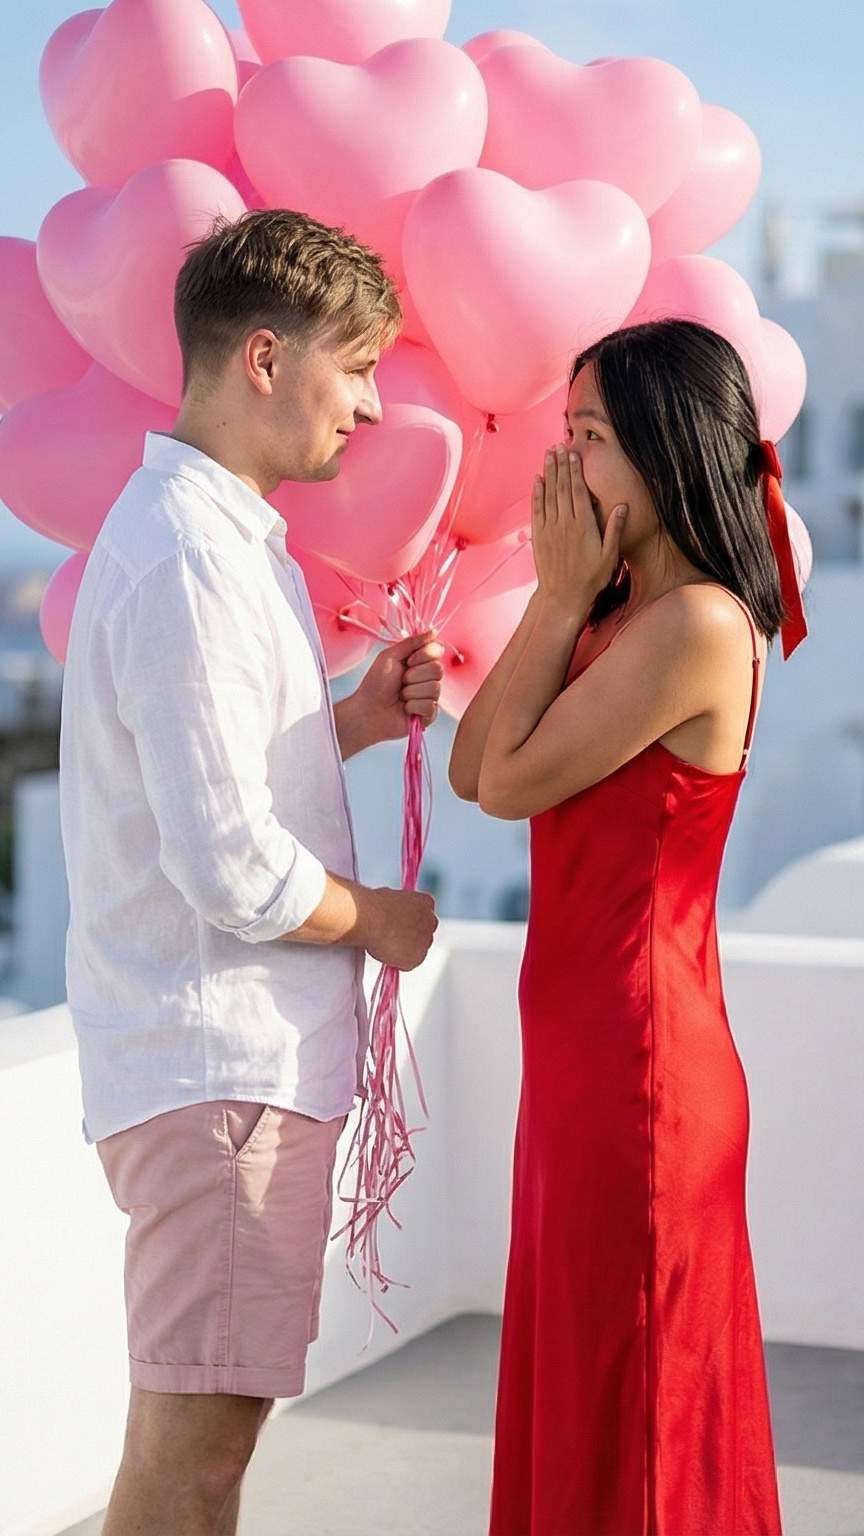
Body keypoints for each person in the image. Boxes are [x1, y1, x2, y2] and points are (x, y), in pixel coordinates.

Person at [58, 208, 443, 1536]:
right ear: (268, 359)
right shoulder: (189, 559)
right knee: (196, 1455)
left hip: (228, 1075)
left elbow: (219, 779)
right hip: (222, 1078)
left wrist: (352, 722)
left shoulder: (220, 543)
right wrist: (381, 921)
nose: (378, 407)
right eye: (359, 370)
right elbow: (230, 864)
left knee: (200, 1439)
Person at [450, 319, 802, 1535]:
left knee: (640, 1392)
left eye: (587, 439)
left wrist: (552, 602)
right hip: (582, 1060)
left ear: (660, 449)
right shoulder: (604, 610)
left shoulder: (699, 623)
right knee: (588, 1374)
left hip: (644, 1067)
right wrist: (563, 601)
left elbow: (508, 785)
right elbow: (464, 763)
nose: (562, 470)